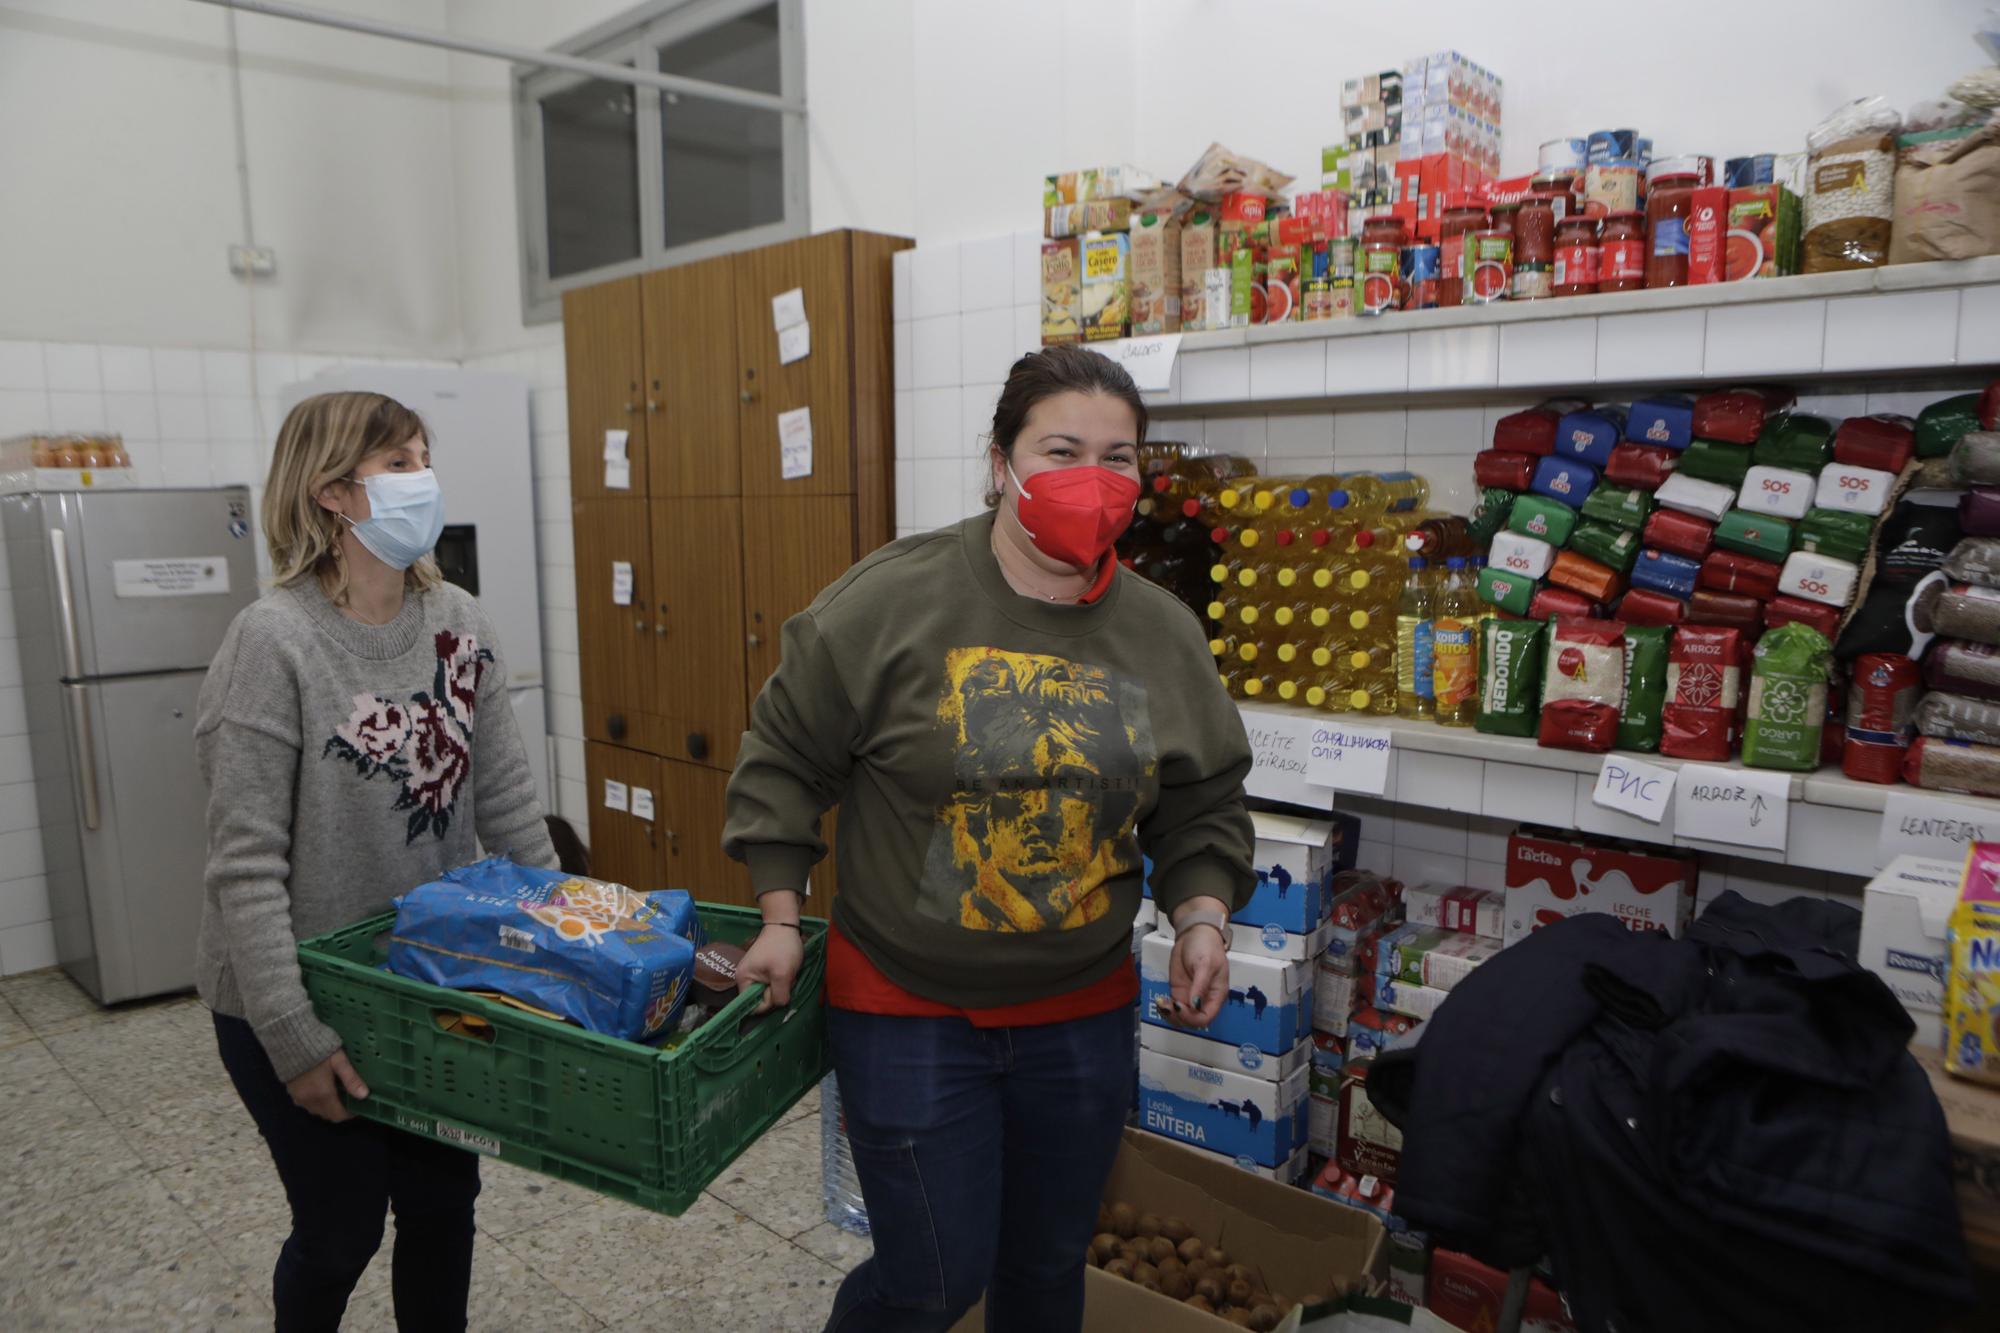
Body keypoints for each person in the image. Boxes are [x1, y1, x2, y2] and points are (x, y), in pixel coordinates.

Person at [723, 345, 1256, 1332]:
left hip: (1081, 1016)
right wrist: (779, 910)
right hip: (908, 1012)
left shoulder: (1163, 633)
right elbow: (785, 758)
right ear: (998, 461)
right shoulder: (889, 603)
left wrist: (1200, 912)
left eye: (1119, 457)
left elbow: (1201, 798)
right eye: (1060, 450)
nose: (1091, 480)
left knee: (1047, 1270)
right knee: (931, 1277)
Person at [196, 391, 557, 1332]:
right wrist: (293, 1032)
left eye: (423, 456)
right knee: (341, 1230)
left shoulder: (460, 620)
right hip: (296, 991)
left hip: (422, 978)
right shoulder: (272, 642)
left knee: (444, 1207)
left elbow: (509, 801)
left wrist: (570, 942)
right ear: (332, 494)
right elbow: (245, 865)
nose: (422, 478)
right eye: (398, 463)